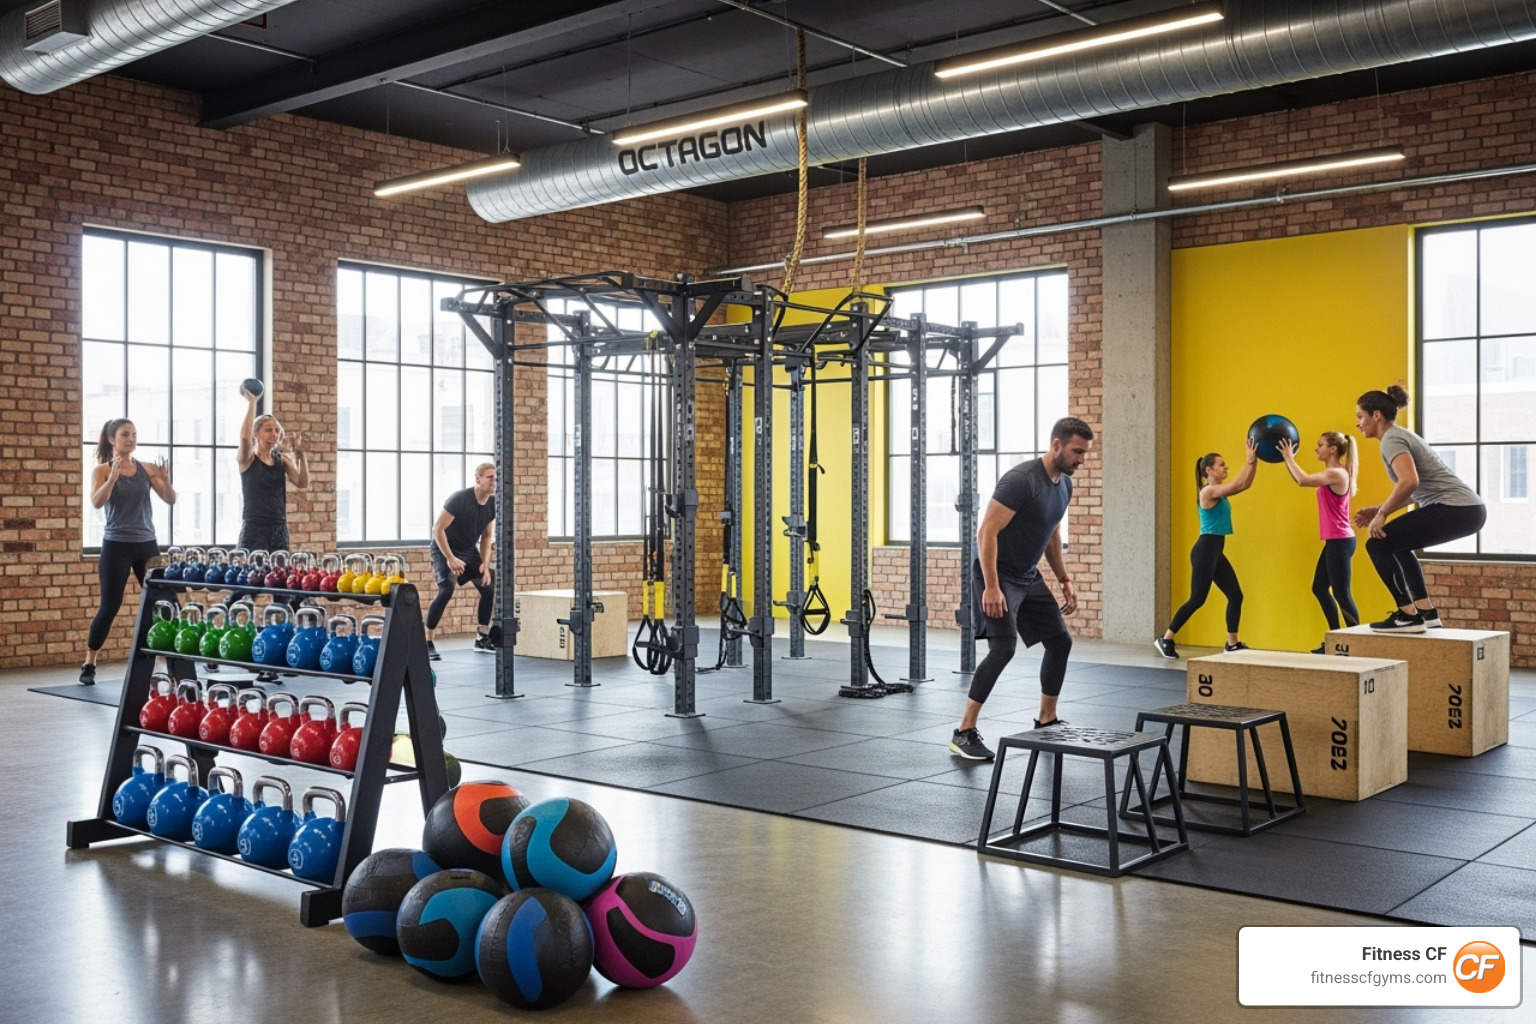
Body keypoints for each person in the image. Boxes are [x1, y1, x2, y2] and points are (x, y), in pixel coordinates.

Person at [949, 418, 1094, 762]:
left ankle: (1047, 719)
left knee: (1060, 642)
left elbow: (1052, 534)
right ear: (1056, 445)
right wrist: (992, 587)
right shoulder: (1021, 480)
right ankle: (964, 731)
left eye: (1085, 453)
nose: (1081, 459)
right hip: (997, 574)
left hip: (1028, 576)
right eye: (1077, 451)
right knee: (1003, 649)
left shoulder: (1064, 485)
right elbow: (986, 532)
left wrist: (1064, 579)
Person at [1354, 385, 1485, 632]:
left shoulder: (1391, 439)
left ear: (1376, 416)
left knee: (1377, 544)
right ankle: (1425, 612)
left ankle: (1407, 615)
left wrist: (1382, 514)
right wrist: (1380, 508)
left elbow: (1409, 481)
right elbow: (1417, 490)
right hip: (1467, 510)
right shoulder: (1399, 435)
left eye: (1360, 416)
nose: (1358, 424)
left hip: (1457, 507)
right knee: (1398, 544)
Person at [81, 419, 175, 685]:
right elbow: (96, 502)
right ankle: (89, 662)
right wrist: (111, 480)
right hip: (116, 546)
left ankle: (170, 662)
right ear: (112, 439)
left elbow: (170, 499)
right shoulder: (102, 470)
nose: (131, 439)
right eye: (125, 434)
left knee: (162, 603)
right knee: (110, 606)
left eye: (134, 434)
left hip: (147, 545)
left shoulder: (148, 468)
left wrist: (165, 480)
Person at [1155, 439, 1259, 660]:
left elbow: (1245, 484)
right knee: (1197, 599)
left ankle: (1232, 643)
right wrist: (1249, 460)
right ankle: (1166, 638)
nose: (1226, 467)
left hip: (1215, 551)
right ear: (1209, 470)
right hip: (1205, 551)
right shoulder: (1208, 491)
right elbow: (1238, 484)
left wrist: (1254, 461)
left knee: (1236, 595)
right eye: (1221, 464)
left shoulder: (1219, 491)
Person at [1278, 433, 1360, 651]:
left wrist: (1288, 457)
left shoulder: (1336, 473)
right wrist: (1288, 460)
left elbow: (1302, 480)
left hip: (1340, 541)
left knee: (1341, 593)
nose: (1316, 448)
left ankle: (1356, 644)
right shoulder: (1335, 472)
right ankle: (1336, 641)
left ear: (1332, 449)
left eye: (1320, 445)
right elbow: (1301, 480)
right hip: (1335, 541)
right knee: (1320, 588)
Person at [425, 463, 497, 661]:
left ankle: (482, 637)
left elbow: (487, 537)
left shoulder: (493, 504)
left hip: (468, 549)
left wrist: (485, 564)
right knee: (446, 589)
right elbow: (437, 529)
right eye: (490, 477)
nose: (494, 481)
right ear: (478, 479)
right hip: (444, 548)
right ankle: (427, 641)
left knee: (488, 586)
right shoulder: (459, 499)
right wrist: (450, 558)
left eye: (496, 478)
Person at [236, 384, 308, 553]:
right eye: (268, 430)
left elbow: (302, 482)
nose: (274, 434)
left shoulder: (281, 459)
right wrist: (252, 403)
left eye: (276, 430)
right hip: (254, 527)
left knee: (280, 569)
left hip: (279, 526)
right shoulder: (247, 459)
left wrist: (301, 455)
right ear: (256, 434)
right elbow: (244, 439)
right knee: (251, 569)